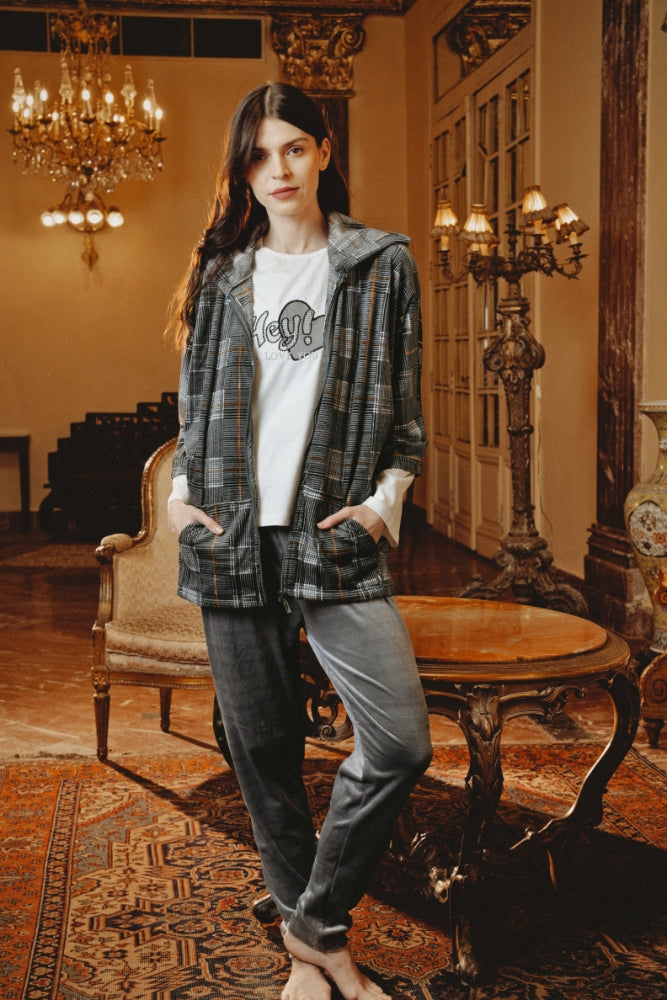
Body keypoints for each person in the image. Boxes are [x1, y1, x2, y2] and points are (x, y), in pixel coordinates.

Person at [165, 82, 432, 1000]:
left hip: (333, 536)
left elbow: (405, 417)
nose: (276, 169)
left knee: (397, 744)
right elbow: (195, 409)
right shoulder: (221, 273)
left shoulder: (381, 264)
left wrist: (382, 504)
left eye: (292, 148)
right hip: (231, 536)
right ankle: (314, 958)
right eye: (258, 155)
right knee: (263, 753)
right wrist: (180, 501)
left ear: (322, 151)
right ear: (242, 171)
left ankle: (313, 923)